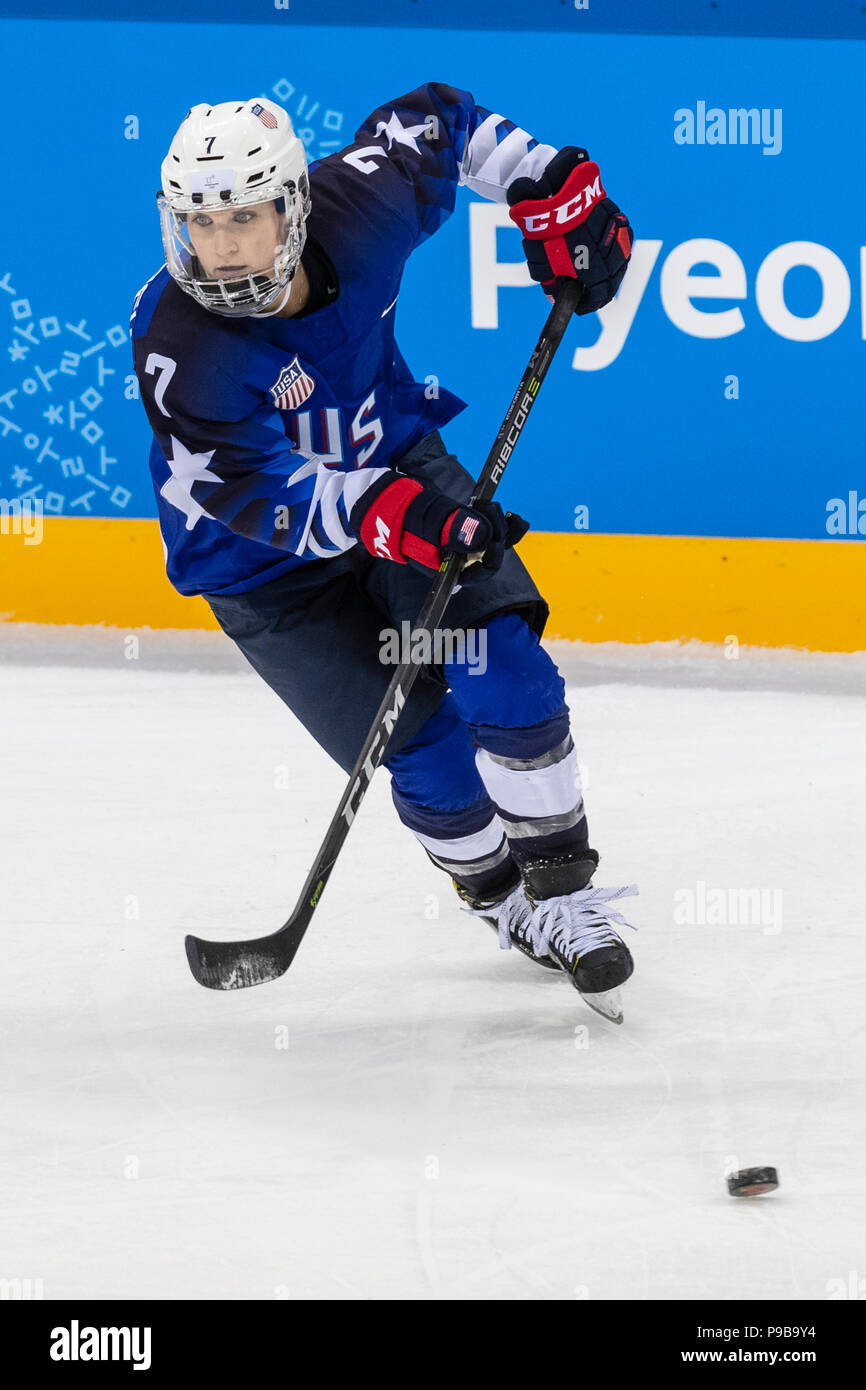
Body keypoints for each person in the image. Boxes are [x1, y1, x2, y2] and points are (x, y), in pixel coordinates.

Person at [132, 83, 637, 1020]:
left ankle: (567, 896)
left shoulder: (363, 203)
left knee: (504, 671)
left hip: (390, 459)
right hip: (262, 565)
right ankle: (504, 902)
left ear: (294, 206)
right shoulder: (178, 343)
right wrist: (399, 517)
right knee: (429, 754)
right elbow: (259, 495)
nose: (223, 244)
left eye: (244, 216)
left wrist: (550, 186)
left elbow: (440, 117)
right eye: (202, 224)